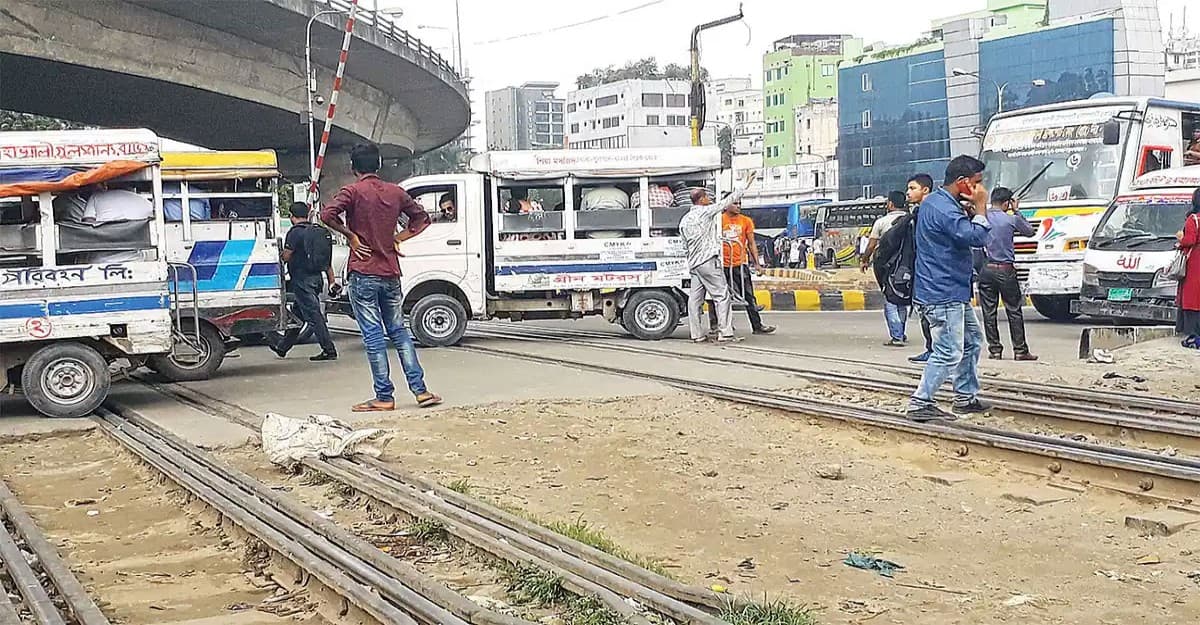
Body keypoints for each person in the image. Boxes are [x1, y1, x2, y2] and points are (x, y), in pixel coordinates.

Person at [320, 143, 442, 411]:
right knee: (399, 331)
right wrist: (398, 237)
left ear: (353, 168)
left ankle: (384, 396)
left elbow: (327, 215)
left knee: (373, 335)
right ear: (379, 165)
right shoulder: (396, 192)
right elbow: (422, 219)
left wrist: (351, 236)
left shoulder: (352, 191)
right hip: (390, 271)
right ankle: (421, 391)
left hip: (363, 271)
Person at [906, 156, 993, 422]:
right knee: (948, 350)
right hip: (942, 292)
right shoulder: (945, 209)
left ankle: (965, 397)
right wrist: (981, 208)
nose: (981, 188)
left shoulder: (938, 203)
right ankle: (920, 402)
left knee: (971, 341)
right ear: (962, 182)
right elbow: (976, 237)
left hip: (951, 289)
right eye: (977, 182)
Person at [681, 170, 757, 344]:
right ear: (701, 199)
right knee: (722, 296)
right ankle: (725, 333)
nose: (709, 199)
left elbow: (685, 246)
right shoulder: (705, 212)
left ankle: (697, 334)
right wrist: (744, 185)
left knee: (695, 300)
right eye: (707, 197)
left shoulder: (684, 220)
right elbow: (726, 202)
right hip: (708, 262)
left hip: (694, 265)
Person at [271, 202, 339, 362]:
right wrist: (332, 282)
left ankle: (329, 350)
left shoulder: (294, 232)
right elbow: (327, 262)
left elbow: (286, 256)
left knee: (314, 316)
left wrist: (278, 255)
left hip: (302, 281)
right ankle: (282, 347)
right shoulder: (318, 231)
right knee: (298, 315)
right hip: (316, 279)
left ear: (291, 216)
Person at [978, 187, 1038, 361]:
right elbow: (1030, 231)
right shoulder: (1011, 219)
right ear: (1007, 203)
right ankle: (1020, 350)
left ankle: (995, 350)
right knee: (1013, 310)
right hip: (1005, 269)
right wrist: (1017, 210)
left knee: (989, 312)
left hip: (987, 268)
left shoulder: (983, 217)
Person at [708, 193, 777, 335]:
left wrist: (757, 263)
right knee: (718, 296)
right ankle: (717, 326)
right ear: (726, 204)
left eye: (739, 203)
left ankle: (757, 326)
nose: (738, 206)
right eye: (735, 203)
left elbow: (751, 243)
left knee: (749, 295)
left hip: (740, 264)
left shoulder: (746, 221)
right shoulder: (718, 220)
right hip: (721, 265)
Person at [863, 190, 911, 347]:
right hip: (909, 266)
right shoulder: (911, 220)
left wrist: (864, 259)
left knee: (890, 299)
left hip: (888, 268)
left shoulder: (882, 222)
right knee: (902, 299)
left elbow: (871, 245)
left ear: (890, 204)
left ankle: (897, 336)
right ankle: (901, 332)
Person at [904, 174, 936, 363]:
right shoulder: (918, 212)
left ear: (925, 190)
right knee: (925, 313)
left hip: (932, 272)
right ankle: (931, 349)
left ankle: (936, 352)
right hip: (922, 269)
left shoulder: (929, 211)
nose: (908, 192)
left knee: (931, 314)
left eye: (912, 188)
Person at [1177, 188, 1200, 348]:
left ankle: (1193, 335)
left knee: (1192, 296)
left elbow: (1190, 240)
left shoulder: (1193, 219)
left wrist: (1180, 239)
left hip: (1195, 262)